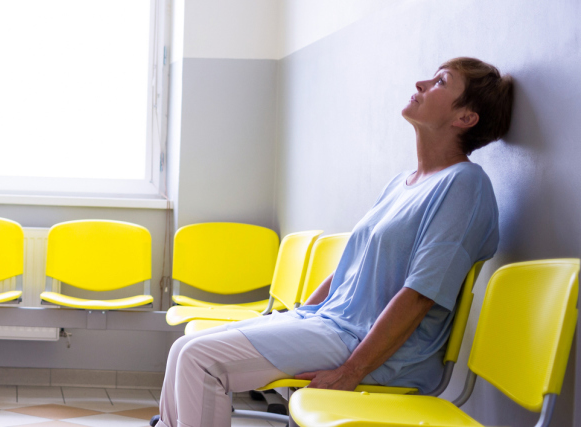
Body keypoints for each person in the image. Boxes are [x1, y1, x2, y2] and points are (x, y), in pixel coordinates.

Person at [153, 57, 514, 427]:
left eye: (440, 82)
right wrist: (295, 315)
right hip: (329, 323)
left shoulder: (465, 185)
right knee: (183, 348)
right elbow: (348, 270)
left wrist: (351, 371)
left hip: (369, 346)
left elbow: (420, 294)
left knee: (201, 359)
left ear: (465, 118)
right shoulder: (401, 183)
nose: (422, 83)